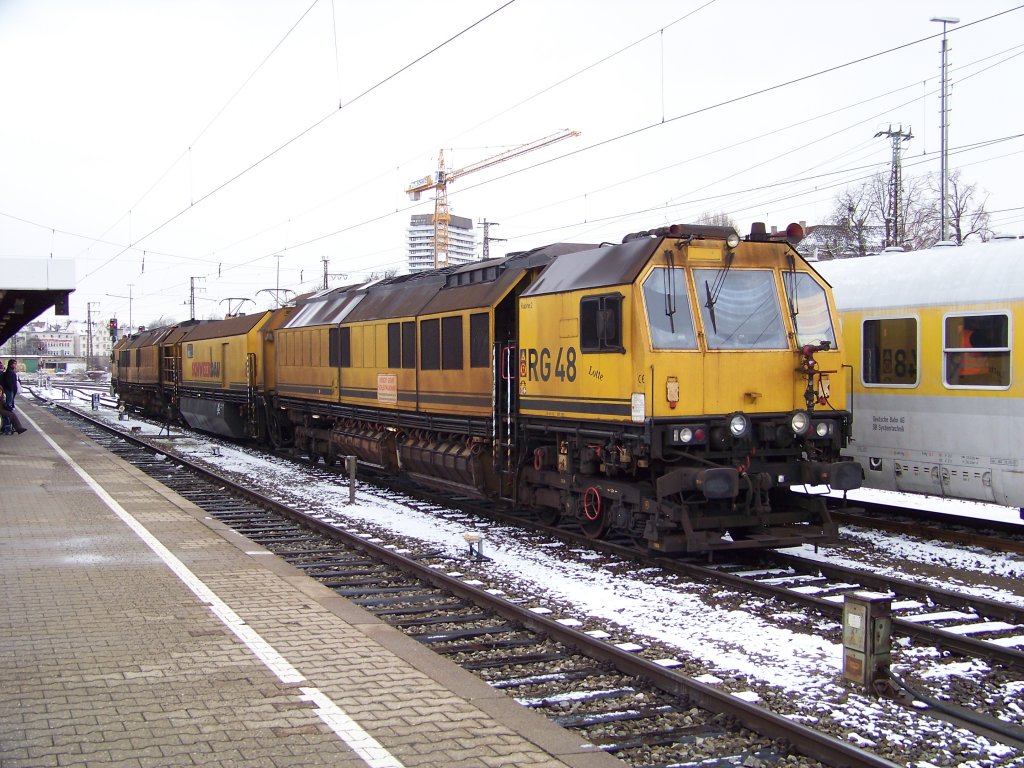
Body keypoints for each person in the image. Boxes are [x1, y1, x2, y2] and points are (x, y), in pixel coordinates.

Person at [0, 359, 18, 434]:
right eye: (14, 364)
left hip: (10, 391)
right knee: (8, 410)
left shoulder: (9, 372)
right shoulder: (9, 373)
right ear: (11, 364)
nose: (15, 365)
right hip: (10, 392)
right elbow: (9, 383)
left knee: (9, 409)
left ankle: (8, 428)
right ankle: (7, 428)